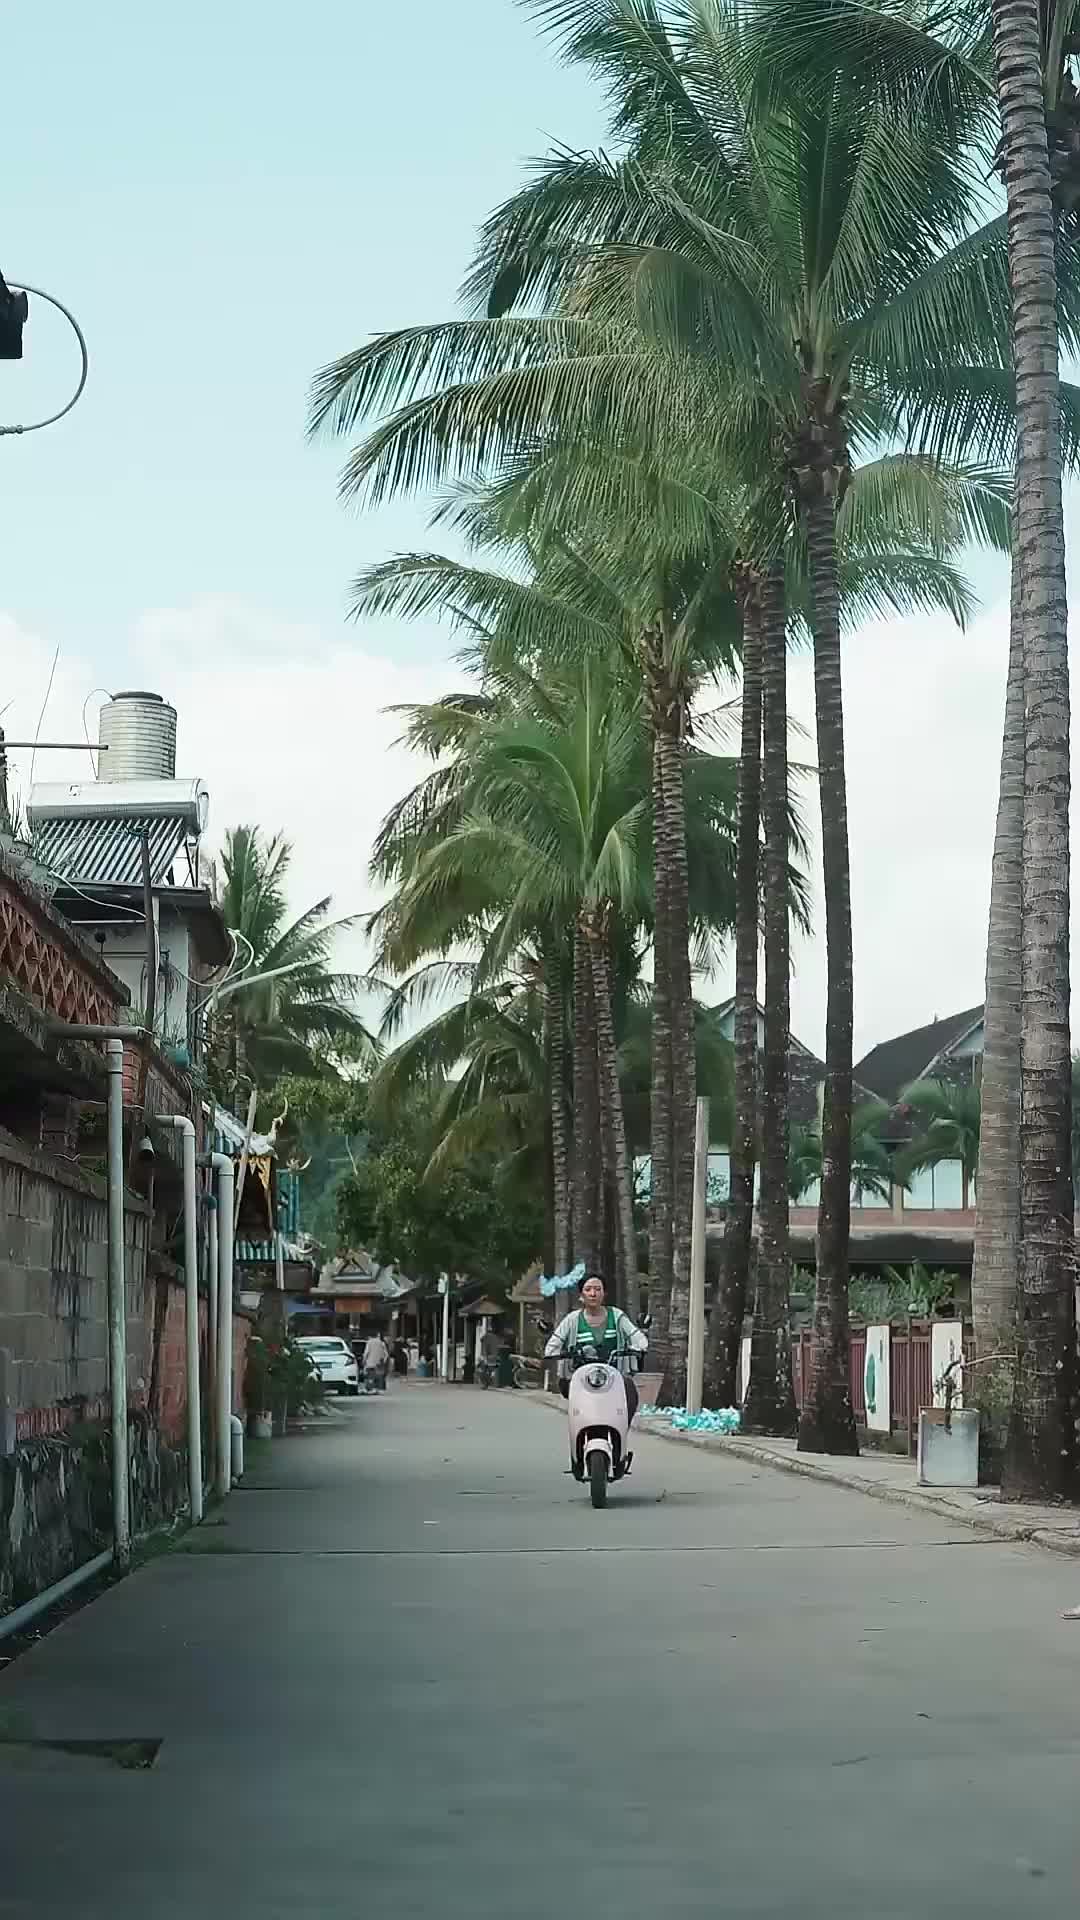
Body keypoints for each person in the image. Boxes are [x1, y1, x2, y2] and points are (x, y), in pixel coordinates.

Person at [543, 1275, 648, 1424]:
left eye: (598, 1289)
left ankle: (622, 1431)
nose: (593, 1293)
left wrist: (638, 1348)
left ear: (604, 1294)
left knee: (629, 1390)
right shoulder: (572, 1319)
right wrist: (557, 1353)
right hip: (580, 1378)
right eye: (588, 1289)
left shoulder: (617, 1316)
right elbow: (553, 1345)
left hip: (613, 1377)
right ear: (581, 1295)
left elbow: (638, 1339)